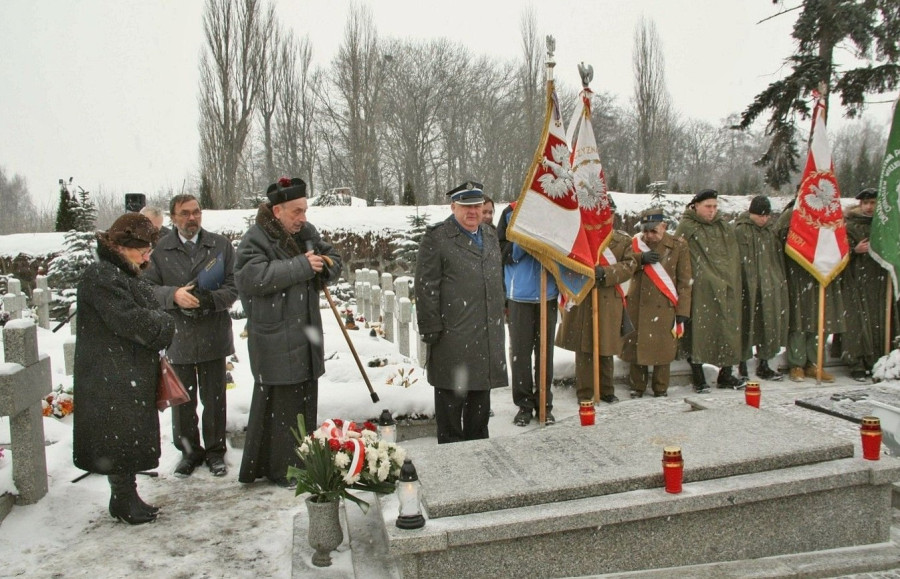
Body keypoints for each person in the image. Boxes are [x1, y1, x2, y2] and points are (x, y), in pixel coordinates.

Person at [235, 177, 342, 486]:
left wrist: (323, 264)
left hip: (304, 335)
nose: (302, 218)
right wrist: (303, 266)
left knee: (304, 403)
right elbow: (253, 277)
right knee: (281, 408)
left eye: (305, 210)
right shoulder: (255, 238)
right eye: (296, 211)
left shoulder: (306, 233)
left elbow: (333, 260)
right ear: (277, 211)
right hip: (275, 338)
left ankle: (302, 462)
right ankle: (280, 468)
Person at [72, 213, 175, 525]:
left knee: (126, 436)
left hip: (124, 369)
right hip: (110, 374)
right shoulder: (101, 276)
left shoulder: (122, 272)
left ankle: (126, 496)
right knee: (117, 438)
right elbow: (131, 319)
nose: (147, 257)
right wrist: (165, 324)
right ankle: (122, 498)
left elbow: (147, 310)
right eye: (142, 250)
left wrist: (158, 320)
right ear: (120, 246)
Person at [144, 194, 238, 478]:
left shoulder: (220, 245)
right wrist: (173, 295)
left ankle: (215, 452)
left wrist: (209, 300)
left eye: (196, 212)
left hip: (213, 333)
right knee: (182, 401)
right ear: (173, 218)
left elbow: (234, 286)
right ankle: (189, 452)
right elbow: (147, 290)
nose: (192, 218)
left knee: (215, 399)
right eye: (184, 213)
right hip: (178, 336)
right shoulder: (159, 250)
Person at [415, 181, 507, 443]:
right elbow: (425, 287)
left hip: (485, 340)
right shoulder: (437, 238)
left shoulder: (489, 235)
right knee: (451, 420)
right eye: (466, 206)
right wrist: (431, 330)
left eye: (477, 206)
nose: (473, 212)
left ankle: (479, 461)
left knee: (479, 418)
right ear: (453, 206)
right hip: (452, 340)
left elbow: (495, 279)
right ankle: (451, 463)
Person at [557, 222, 638, 405]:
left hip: (609, 298)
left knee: (606, 345)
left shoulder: (622, 240)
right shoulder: (578, 236)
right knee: (584, 346)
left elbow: (629, 266)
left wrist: (605, 273)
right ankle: (585, 392)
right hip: (584, 296)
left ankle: (606, 390)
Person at [674, 189, 744, 391]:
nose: (712, 211)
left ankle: (726, 374)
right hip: (700, 288)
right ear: (696, 206)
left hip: (726, 286)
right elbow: (679, 257)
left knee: (728, 328)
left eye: (714, 206)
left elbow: (732, 255)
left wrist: (730, 279)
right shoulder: (687, 226)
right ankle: (698, 375)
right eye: (707, 206)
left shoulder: (723, 227)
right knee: (699, 330)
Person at [498, 202, 560, 425]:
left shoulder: (553, 210)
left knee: (545, 353)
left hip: (547, 295)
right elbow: (501, 252)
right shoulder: (510, 212)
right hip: (520, 296)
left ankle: (544, 403)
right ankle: (524, 405)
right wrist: (525, 242)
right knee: (521, 355)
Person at [621, 208, 692, 397]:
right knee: (636, 347)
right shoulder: (635, 244)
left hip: (664, 306)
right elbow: (623, 266)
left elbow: (685, 282)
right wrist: (640, 259)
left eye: (653, 231)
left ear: (664, 226)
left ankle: (661, 388)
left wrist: (683, 310)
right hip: (637, 305)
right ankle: (637, 386)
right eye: (645, 231)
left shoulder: (678, 246)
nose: (649, 236)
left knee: (663, 350)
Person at [775, 195, 845, 382]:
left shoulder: (828, 215)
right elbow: (779, 239)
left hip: (820, 275)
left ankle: (814, 363)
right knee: (798, 322)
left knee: (819, 321)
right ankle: (796, 364)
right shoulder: (791, 214)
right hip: (797, 275)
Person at [841, 188, 894, 381]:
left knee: (879, 322)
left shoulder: (885, 225)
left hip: (880, 282)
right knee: (856, 322)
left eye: (873, 203)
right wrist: (854, 251)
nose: (869, 207)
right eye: (866, 203)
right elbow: (838, 252)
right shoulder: (850, 225)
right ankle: (856, 362)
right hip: (856, 280)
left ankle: (878, 360)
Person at [734, 196, 787, 381]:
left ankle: (764, 362)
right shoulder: (740, 231)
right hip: (747, 285)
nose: (764, 219)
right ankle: (742, 363)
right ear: (751, 213)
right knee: (745, 324)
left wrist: (777, 279)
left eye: (766, 216)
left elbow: (776, 258)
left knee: (767, 324)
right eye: (760, 215)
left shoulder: (770, 233)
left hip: (768, 285)